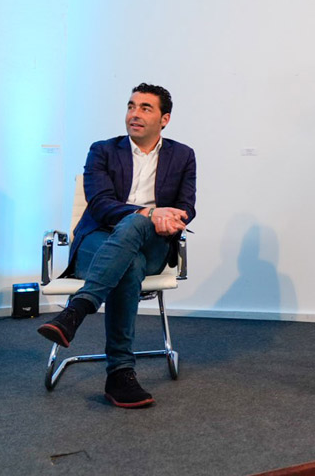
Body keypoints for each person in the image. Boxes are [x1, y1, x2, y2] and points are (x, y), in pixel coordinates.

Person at [37, 83, 196, 408]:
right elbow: (100, 205)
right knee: (130, 262)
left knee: (137, 229)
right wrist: (149, 212)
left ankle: (77, 311)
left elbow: (186, 206)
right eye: (131, 106)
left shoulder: (183, 155)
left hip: (154, 243)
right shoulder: (102, 151)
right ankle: (120, 373)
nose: (134, 114)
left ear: (164, 119)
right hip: (99, 240)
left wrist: (171, 218)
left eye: (145, 108)